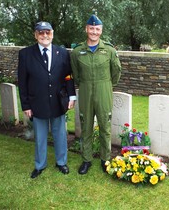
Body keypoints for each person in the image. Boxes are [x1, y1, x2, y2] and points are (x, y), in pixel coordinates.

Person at [18, 21, 76, 178]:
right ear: (35, 35)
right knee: (41, 136)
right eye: (41, 32)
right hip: (37, 102)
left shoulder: (62, 53)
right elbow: (22, 82)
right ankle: (40, 164)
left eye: (47, 32)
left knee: (60, 135)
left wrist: (71, 96)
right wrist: (26, 105)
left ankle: (61, 162)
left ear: (52, 34)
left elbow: (68, 76)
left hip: (58, 101)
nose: (44, 35)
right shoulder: (25, 54)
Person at [70, 13, 121, 174]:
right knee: (85, 126)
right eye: (91, 28)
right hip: (85, 90)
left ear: (101, 30)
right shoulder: (77, 51)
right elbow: (75, 74)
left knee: (105, 126)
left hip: (104, 89)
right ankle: (87, 160)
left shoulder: (109, 50)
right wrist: (84, 83)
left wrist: (106, 85)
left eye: (97, 29)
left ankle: (105, 159)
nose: (94, 32)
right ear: (86, 29)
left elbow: (116, 71)